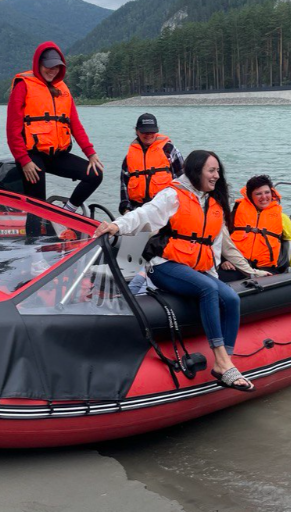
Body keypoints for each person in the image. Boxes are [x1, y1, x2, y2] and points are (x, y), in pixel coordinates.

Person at [95, 150, 254, 392]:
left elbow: (213, 247)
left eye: (218, 171)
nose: (216, 176)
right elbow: (143, 215)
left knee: (231, 298)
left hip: (196, 269)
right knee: (208, 290)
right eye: (211, 171)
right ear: (196, 171)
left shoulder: (214, 203)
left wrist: (214, 277)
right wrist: (116, 226)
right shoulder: (173, 195)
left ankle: (226, 361)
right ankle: (222, 361)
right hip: (164, 265)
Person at [7, 42, 104, 212]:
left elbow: (75, 125)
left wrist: (90, 153)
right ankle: (36, 228)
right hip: (31, 155)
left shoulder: (63, 89)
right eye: (48, 66)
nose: (52, 70)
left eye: (56, 67)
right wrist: (24, 160)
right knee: (37, 206)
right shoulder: (23, 85)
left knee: (95, 174)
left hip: (56, 154)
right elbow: (12, 130)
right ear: (38, 64)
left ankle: (67, 211)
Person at [219, 174, 291, 282]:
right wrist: (224, 260)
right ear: (250, 196)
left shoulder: (282, 218)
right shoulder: (236, 215)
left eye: (267, 192)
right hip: (237, 266)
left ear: (272, 193)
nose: (264, 197)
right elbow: (222, 240)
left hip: (268, 269)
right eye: (258, 194)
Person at [119, 113, 184, 214]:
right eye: (144, 132)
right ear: (137, 131)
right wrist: (126, 210)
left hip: (166, 209)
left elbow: (183, 179)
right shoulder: (129, 157)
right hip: (138, 210)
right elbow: (124, 184)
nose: (148, 135)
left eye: (151, 131)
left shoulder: (169, 149)